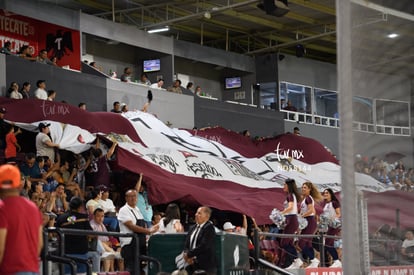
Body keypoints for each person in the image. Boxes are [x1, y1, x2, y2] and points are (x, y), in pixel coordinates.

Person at [0, 164, 43, 275]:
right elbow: (40, 243)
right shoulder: (33, 207)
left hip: (10, 270)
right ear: (19, 185)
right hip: (32, 269)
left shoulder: (2, 208)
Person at [118, 189, 159, 272]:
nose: (133, 198)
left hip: (140, 245)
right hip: (130, 246)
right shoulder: (124, 210)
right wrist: (148, 231)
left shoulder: (137, 209)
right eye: (131, 196)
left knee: (140, 269)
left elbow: (142, 224)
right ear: (126, 198)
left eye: (135, 196)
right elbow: (131, 226)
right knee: (131, 270)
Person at [56, 196, 100, 273]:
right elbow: (91, 234)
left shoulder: (61, 218)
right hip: (81, 253)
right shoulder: (84, 218)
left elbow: (56, 234)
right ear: (80, 207)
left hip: (65, 253)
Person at [183, 206, 217, 275]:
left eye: (199, 213)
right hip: (191, 265)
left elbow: (204, 245)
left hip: (205, 266)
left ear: (207, 216)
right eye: (196, 212)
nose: (196, 214)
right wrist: (187, 254)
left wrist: (189, 254)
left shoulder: (209, 228)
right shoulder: (192, 228)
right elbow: (187, 244)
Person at [299, 181, 322, 268]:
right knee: (308, 244)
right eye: (302, 187)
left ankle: (314, 260)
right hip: (308, 221)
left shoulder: (308, 198)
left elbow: (311, 211)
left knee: (301, 243)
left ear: (309, 189)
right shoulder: (306, 199)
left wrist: (301, 216)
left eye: (305, 187)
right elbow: (314, 211)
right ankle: (314, 263)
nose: (303, 189)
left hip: (309, 221)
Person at [280, 178, 302, 270]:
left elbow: (290, 207)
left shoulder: (290, 196)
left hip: (292, 218)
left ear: (288, 186)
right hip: (291, 219)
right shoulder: (291, 195)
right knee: (288, 242)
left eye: (284, 185)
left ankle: (296, 259)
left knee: (284, 242)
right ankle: (295, 261)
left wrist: (280, 213)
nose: (283, 186)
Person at [322, 188, 342, 268]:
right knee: (328, 244)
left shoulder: (334, 203)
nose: (325, 194)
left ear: (330, 194)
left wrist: (332, 218)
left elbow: (338, 214)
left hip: (334, 224)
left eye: (327, 193)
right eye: (324, 193)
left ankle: (337, 260)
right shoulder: (327, 204)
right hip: (329, 225)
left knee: (328, 243)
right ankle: (336, 261)